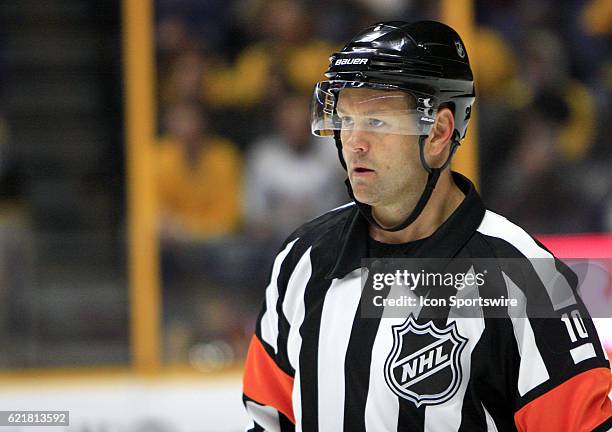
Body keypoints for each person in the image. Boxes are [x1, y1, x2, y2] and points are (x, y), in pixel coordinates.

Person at [241, 21, 612, 431]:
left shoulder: (526, 279)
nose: (353, 141)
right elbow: (268, 420)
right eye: (345, 119)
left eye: (377, 122)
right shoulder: (304, 260)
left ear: (438, 132)